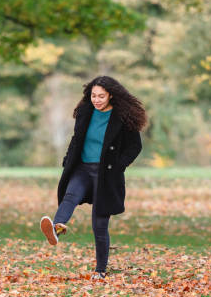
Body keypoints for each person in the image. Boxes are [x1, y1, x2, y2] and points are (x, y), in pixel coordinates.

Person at [40, 75, 147, 281]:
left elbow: (136, 146)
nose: (96, 100)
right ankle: (57, 227)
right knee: (70, 195)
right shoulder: (85, 112)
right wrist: (67, 159)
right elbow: (77, 139)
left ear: (111, 96)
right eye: (93, 95)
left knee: (99, 224)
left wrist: (119, 166)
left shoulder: (123, 118)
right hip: (82, 168)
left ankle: (100, 270)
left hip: (106, 174)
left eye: (101, 96)